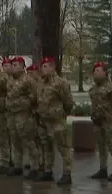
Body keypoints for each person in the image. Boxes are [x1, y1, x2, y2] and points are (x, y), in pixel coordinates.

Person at [37, 56, 75, 185]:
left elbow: (68, 102)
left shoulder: (60, 83)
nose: (43, 69)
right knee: (47, 146)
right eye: (42, 66)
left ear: (53, 67)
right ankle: (48, 171)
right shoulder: (40, 83)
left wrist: (63, 113)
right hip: (44, 121)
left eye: (46, 66)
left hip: (57, 120)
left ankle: (67, 173)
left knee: (63, 147)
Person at [89, 61, 112, 181]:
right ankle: (102, 169)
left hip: (109, 121)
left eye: (98, 71)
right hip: (97, 122)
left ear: (105, 72)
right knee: (101, 147)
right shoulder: (93, 89)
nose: (95, 73)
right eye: (94, 71)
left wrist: (110, 115)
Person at [6, 56, 38, 177]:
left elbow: (34, 96)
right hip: (12, 114)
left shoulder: (28, 80)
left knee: (28, 140)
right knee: (15, 141)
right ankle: (17, 165)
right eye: (12, 65)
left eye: (15, 65)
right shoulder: (10, 80)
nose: (13, 68)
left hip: (24, 115)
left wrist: (26, 106)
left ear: (22, 67)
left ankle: (34, 166)